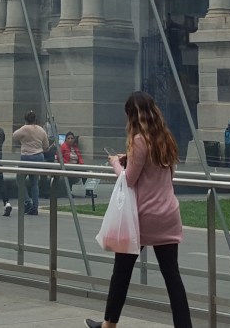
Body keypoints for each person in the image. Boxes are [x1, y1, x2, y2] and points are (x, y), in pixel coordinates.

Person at [85, 91, 192, 328]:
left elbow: (129, 179)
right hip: (168, 215)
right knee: (172, 277)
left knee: (121, 273)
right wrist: (131, 158)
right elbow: (161, 171)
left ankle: (109, 325)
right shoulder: (166, 138)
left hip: (142, 218)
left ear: (132, 115)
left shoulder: (139, 140)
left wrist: (116, 163)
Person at [12, 110, 51, 215]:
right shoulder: (41, 130)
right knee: (34, 183)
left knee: (20, 180)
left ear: (25, 119)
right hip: (39, 157)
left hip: (26, 156)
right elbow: (46, 147)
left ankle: (27, 201)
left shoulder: (24, 128)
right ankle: (35, 207)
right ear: (35, 119)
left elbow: (14, 136)